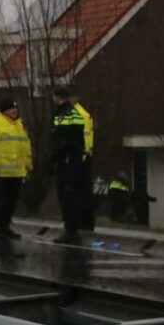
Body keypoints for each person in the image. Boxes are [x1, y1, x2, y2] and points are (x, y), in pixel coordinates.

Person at [0, 96, 31, 240]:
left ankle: (6, 226)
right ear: (4, 110)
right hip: (1, 172)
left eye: (15, 108)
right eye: (11, 108)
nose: (14, 111)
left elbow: (25, 147)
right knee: (2, 201)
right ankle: (0, 227)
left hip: (17, 171)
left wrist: (28, 165)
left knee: (12, 201)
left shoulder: (19, 124)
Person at [50, 86, 88, 244]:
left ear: (57, 97)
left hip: (67, 161)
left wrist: (53, 159)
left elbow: (61, 140)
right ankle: (73, 229)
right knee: (72, 195)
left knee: (66, 196)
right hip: (76, 159)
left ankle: (70, 231)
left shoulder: (63, 115)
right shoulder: (75, 113)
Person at [71, 91, 96, 232]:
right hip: (84, 157)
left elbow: (84, 139)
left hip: (81, 158)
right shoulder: (83, 114)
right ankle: (85, 223)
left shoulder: (78, 115)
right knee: (84, 192)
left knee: (80, 193)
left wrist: (80, 157)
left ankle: (83, 223)